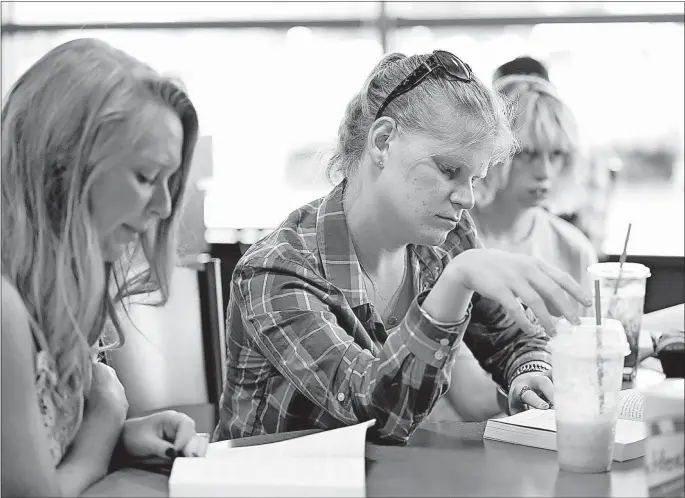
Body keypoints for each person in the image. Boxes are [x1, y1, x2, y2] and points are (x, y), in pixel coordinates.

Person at [213, 50, 592, 443]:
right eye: (449, 170)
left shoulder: (449, 240)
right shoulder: (278, 270)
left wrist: (527, 373)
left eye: (475, 178)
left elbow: (513, 339)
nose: (468, 199)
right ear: (382, 142)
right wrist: (454, 285)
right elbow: (376, 412)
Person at [1, 38, 202, 497]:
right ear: (63, 164)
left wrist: (119, 437)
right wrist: (102, 426)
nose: (164, 205)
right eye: (146, 178)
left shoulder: (56, 291)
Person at [440, 72, 599, 422]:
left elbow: (590, 372)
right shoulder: (447, 239)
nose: (544, 171)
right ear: (494, 151)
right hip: (449, 444)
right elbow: (472, 399)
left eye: (556, 154)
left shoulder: (575, 249)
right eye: (528, 154)